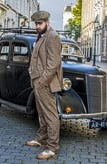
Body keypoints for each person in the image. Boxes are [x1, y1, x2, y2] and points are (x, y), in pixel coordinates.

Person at [26, 11, 63, 160]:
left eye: (40, 23)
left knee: (50, 115)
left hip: (45, 83)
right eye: (36, 24)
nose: (37, 26)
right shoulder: (42, 36)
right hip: (37, 80)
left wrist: (42, 81)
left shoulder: (52, 36)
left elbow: (53, 63)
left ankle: (52, 148)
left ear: (48, 22)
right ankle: (41, 139)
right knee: (41, 113)